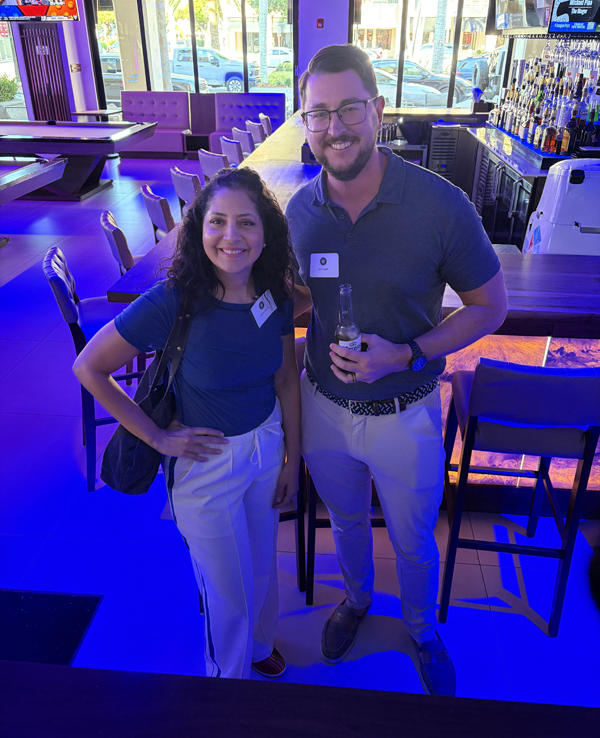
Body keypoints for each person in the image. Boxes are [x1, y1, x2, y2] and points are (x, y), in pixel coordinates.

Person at [286, 44, 507, 696]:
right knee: (346, 522)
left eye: (350, 109)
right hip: (323, 407)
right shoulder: (299, 212)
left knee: (413, 540)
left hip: (406, 413)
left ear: (379, 110)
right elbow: (303, 298)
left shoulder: (440, 205)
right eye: (319, 113)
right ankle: (356, 600)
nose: (335, 128)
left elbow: (490, 306)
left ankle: (421, 629)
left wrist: (406, 352)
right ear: (305, 122)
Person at [73, 167, 300, 680]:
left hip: (266, 447)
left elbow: (287, 378)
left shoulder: (276, 295)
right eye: (217, 221)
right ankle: (225, 685)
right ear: (199, 229)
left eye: (246, 222)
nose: (231, 236)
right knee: (227, 591)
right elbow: (89, 367)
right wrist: (156, 435)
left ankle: (259, 646)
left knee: (261, 565)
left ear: (266, 234)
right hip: (205, 463)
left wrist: (293, 456)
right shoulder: (174, 300)